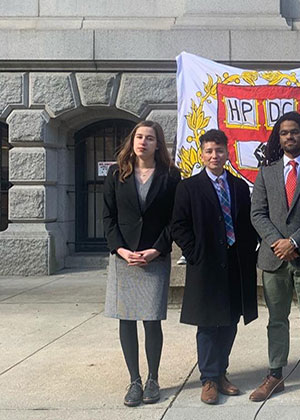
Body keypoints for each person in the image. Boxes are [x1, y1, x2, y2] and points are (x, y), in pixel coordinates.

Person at [249, 111, 300, 410]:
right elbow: (257, 213)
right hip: (274, 259)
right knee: (277, 320)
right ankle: (275, 374)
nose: (289, 137)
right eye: (284, 133)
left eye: (295, 132)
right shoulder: (267, 171)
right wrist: (278, 243)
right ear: (278, 137)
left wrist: (295, 242)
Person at [171, 129, 258, 405]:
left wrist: (248, 250)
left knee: (230, 320)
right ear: (201, 154)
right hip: (205, 264)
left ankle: (222, 372)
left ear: (227, 152)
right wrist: (194, 252)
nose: (214, 155)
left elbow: (248, 222)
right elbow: (178, 225)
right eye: (209, 151)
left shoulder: (239, 186)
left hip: (234, 263)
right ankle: (208, 378)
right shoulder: (189, 187)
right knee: (208, 323)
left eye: (219, 150)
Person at [103, 120, 181, 407]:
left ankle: (153, 379)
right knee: (126, 318)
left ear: (157, 144)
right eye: (139, 136)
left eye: (150, 138)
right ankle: (134, 379)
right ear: (132, 140)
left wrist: (156, 249)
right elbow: (108, 217)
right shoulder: (116, 173)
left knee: (151, 319)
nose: (143, 142)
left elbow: (175, 219)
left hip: (153, 257)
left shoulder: (172, 175)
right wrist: (121, 249)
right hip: (124, 257)